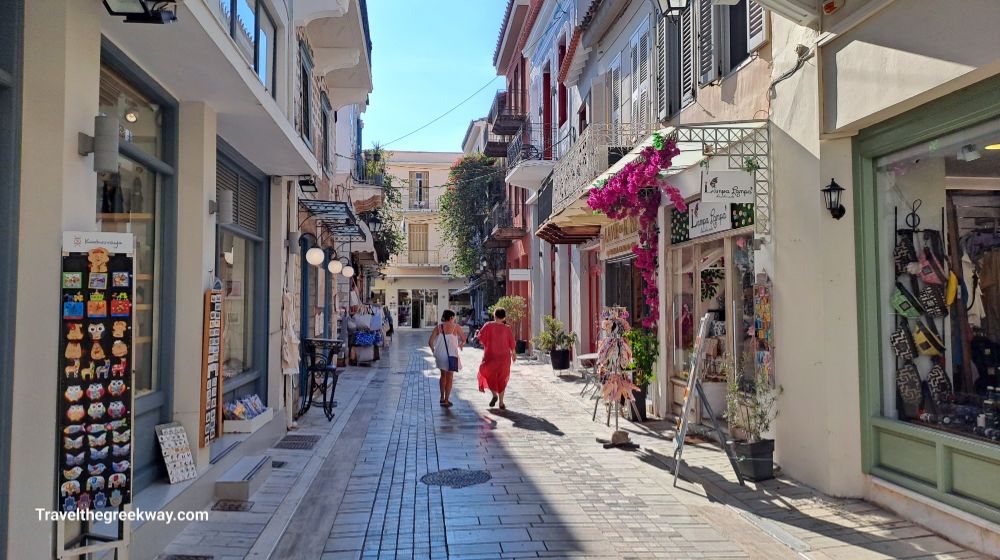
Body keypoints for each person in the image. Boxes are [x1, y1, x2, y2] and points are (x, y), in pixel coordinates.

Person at [477, 307, 516, 410]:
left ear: (494, 315)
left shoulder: (488, 325)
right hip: (504, 358)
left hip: (490, 356)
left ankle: (494, 394)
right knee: (502, 379)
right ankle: (501, 403)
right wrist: (514, 354)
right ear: (504, 317)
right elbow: (512, 343)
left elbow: (480, 338)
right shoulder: (507, 328)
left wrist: (488, 342)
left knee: (489, 375)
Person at [428, 309, 466, 407]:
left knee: (443, 376)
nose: (455, 319)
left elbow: (430, 342)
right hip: (451, 355)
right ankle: (446, 400)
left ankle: (441, 397)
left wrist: (433, 351)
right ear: (451, 317)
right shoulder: (456, 327)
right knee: (450, 377)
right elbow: (464, 339)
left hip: (440, 355)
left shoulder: (438, 327)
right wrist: (461, 345)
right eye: (454, 317)